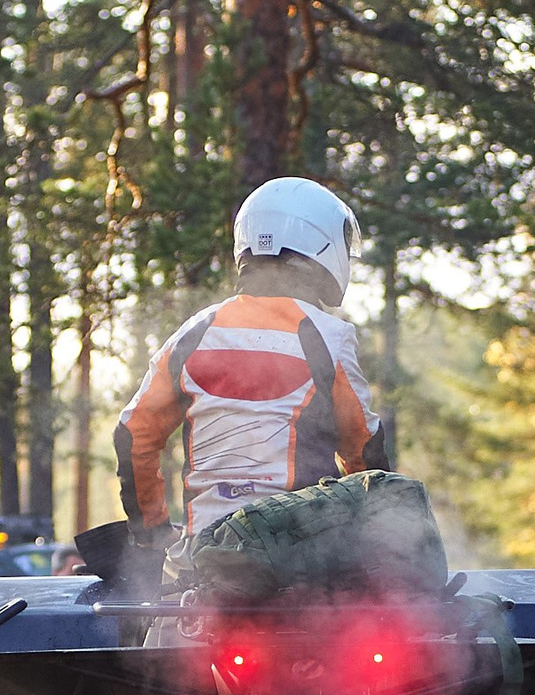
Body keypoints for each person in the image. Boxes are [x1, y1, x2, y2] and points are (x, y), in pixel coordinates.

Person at [113, 178, 391, 544]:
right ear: (320, 245)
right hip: (302, 557)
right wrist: (386, 538)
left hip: (206, 557)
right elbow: (364, 454)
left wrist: (153, 535)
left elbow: (134, 435)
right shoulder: (327, 336)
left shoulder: (194, 333)